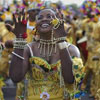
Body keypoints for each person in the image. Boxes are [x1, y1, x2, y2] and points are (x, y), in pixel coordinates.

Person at [10, 9, 85, 100]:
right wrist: (19, 38)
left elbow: (69, 79)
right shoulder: (29, 49)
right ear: (36, 25)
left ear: (59, 22)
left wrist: (61, 41)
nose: (44, 19)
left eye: (49, 16)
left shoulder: (71, 49)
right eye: (40, 18)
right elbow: (16, 77)